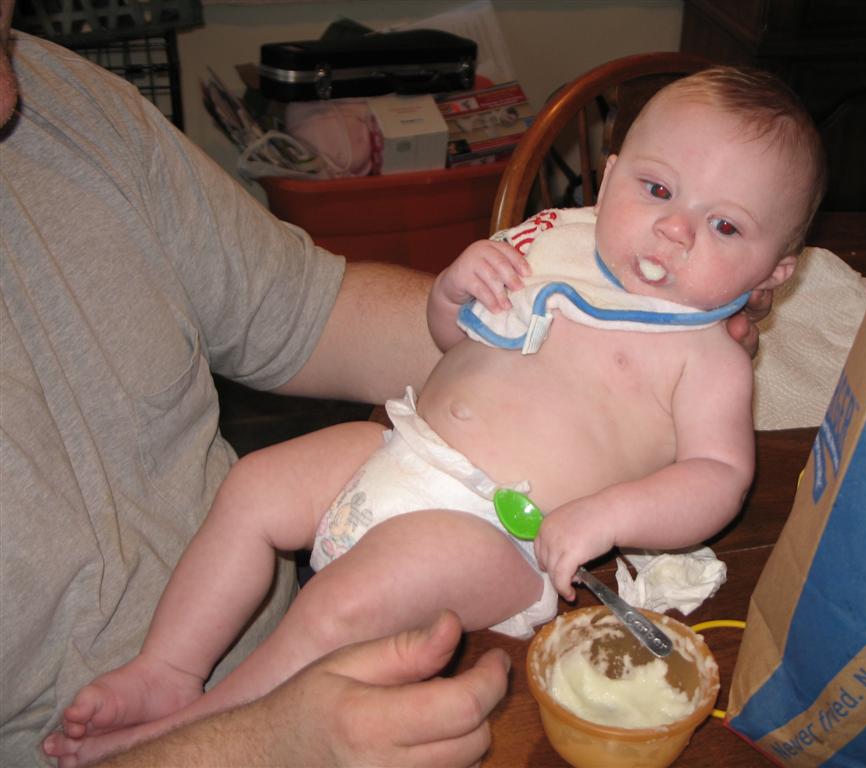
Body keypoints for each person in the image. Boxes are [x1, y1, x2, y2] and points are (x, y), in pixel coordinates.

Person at [45, 64, 823, 766]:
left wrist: (607, 516)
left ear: (775, 272)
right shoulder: (553, 245)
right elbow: (453, 343)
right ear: (611, 175)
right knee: (253, 486)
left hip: (496, 533)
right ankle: (167, 668)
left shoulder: (708, 356)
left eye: (726, 226)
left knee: (342, 604)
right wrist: (451, 292)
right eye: (657, 189)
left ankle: (209, 723)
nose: (676, 229)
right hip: (400, 448)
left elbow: (719, 476)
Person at [0, 12, 515, 767]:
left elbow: (309, 310)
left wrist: (561, 352)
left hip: (291, 658)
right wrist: (268, 744)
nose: (7, 95)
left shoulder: (66, 98)